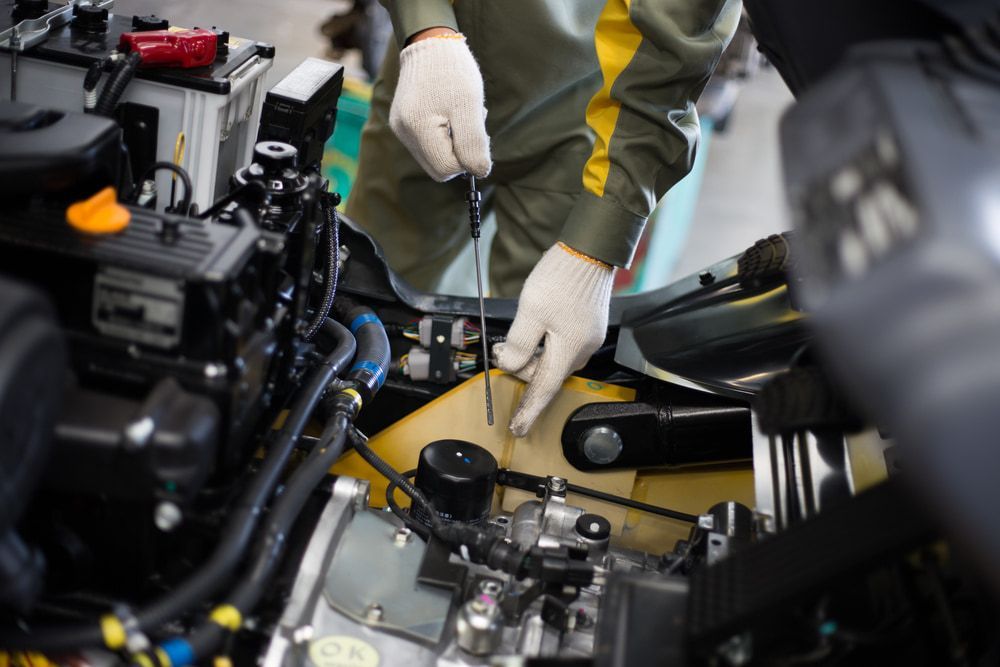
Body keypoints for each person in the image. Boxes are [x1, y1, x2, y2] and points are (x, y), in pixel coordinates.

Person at [348, 0, 741, 436]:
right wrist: (425, 27)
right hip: (433, 80)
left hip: (583, 120)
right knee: (361, 301)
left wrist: (595, 245)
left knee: (530, 364)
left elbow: (675, 44)